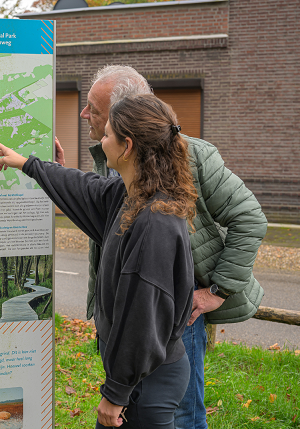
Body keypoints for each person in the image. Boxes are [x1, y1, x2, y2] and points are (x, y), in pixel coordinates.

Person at [63, 64, 267, 429]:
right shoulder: (110, 156)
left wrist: (217, 291)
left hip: (175, 313)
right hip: (134, 315)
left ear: (124, 117)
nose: (83, 114)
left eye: (93, 108)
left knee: (182, 415)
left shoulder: (195, 156)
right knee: (140, 408)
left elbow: (250, 217)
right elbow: (102, 219)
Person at [0, 94, 198, 428]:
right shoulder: (131, 196)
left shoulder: (152, 223)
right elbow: (84, 188)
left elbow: (141, 317)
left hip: (148, 382)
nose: (101, 140)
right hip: (139, 378)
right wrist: (29, 165)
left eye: (107, 135)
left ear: (126, 145)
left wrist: (116, 393)